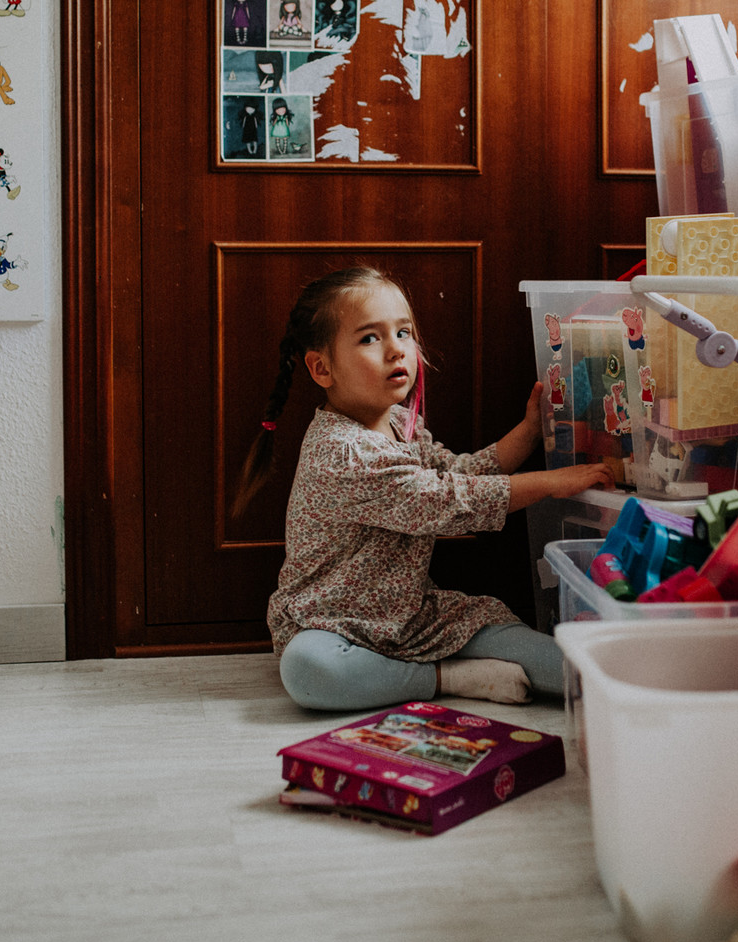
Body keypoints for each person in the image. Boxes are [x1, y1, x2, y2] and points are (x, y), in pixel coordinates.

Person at [234, 267, 613, 712]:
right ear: (322, 368)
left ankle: (624, 671)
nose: (396, 349)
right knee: (308, 670)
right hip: (335, 625)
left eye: (404, 332)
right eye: (369, 338)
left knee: (578, 671)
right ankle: (442, 678)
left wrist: (529, 432)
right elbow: (451, 501)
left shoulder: (399, 424)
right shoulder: (344, 453)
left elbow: (461, 473)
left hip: (414, 615)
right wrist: (552, 483)